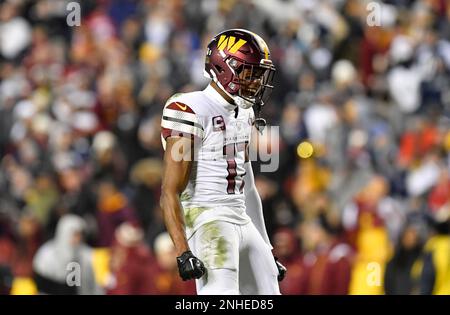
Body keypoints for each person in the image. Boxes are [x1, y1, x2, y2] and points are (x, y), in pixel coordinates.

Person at [159, 29, 286, 295]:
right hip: (208, 220)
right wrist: (182, 251)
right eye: (248, 72)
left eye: (259, 74)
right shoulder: (189, 109)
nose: (256, 81)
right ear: (222, 67)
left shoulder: (245, 112)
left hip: (241, 218)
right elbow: (170, 191)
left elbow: (247, 186)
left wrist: (266, 246)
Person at [32, 214, 102, 295]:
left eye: (80, 235)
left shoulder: (86, 255)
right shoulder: (46, 255)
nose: (78, 239)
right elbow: (41, 286)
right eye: (75, 234)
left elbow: (93, 286)